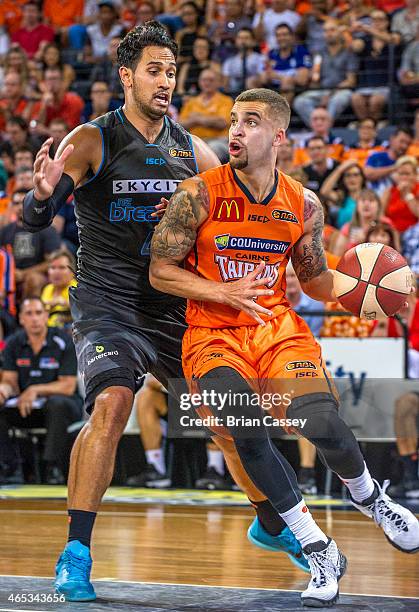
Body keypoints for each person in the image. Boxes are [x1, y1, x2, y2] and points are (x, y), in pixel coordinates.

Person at [23, 24, 308, 602]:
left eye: (171, 71)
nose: (165, 81)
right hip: (108, 303)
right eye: (154, 70)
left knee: (230, 417)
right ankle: (75, 552)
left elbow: (233, 222)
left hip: (175, 303)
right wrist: (38, 195)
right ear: (126, 76)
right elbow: (36, 218)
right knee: (112, 401)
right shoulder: (92, 139)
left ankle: (271, 523)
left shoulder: (191, 149)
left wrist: (286, 265)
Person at [150, 87, 419, 607]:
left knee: (323, 424)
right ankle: (315, 546)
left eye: (249, 122)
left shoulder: (303, 203)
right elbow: (160, 270)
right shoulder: (198, 194)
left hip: (277, 330)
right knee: (245, 429)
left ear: (277, 136)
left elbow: (315, 280)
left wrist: (370, 294)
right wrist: (219, 291)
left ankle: (372, 499)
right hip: (212, 335)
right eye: (231, 120)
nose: (234, 130)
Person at [0, 297, 83, 485]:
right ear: (21, 319)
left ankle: (52, 467)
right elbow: (9, 381)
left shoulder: (63, 341)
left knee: (56, 404)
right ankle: (9, 466)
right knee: (2, 411)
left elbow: (67, 386)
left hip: (63, 405)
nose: (34, 318)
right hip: (27, 406)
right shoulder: (13, 343)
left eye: (38, 313)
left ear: (46, 316)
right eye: (29, 314)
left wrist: (34, 390)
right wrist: (3, 391)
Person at [0, 189, 61, 298]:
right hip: (10, 274)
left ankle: (33, 312)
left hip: (38, 275)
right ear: (11, 206)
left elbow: (53, 262)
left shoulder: (46, 228)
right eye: (16, 203)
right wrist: (10, 273)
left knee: (33, 280)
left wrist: (24, 274)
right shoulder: (5, 231)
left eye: (23, 202)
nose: (20, 207)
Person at [41, 249, 77, 330]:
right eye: (53, 268)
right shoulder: (48, 289)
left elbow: (85, 310)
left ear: (72, 271)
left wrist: (63, 302)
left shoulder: (77, 288)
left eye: (62, 267)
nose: (56, 272)